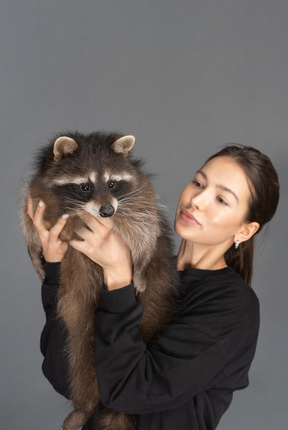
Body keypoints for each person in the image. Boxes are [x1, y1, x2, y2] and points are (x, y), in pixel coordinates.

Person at [28, 145, 279, 429]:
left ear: (245, 230)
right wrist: (56, 270)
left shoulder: (233, 306)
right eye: (198, 182)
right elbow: (66, 378)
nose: (197, 200)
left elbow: (132, 391)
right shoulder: (140, 268)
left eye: (221, 199)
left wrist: (119, 277)